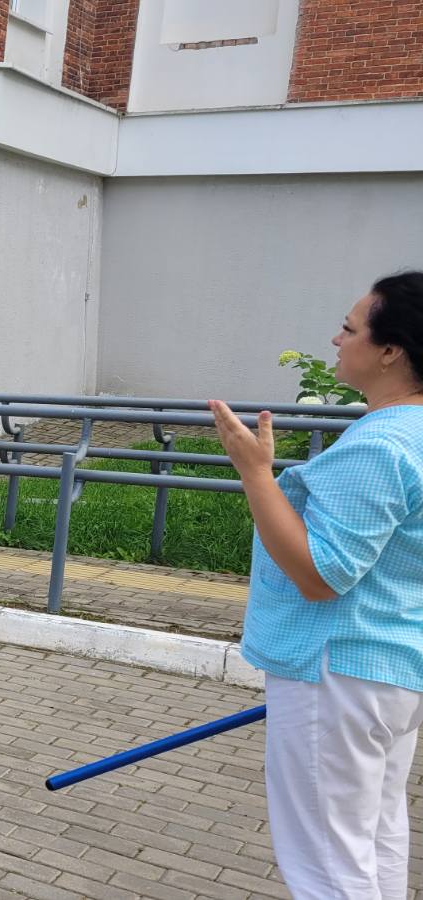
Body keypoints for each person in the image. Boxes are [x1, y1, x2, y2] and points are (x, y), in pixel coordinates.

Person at [211, 271, 423, 899]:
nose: (336, 339)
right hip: (392, 670)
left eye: (350, 329)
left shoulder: (382, 445)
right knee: (374, 837)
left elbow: (319, 575)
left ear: (390, 351)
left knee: (328, 866)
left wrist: (256, 475)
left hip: (336, 669)